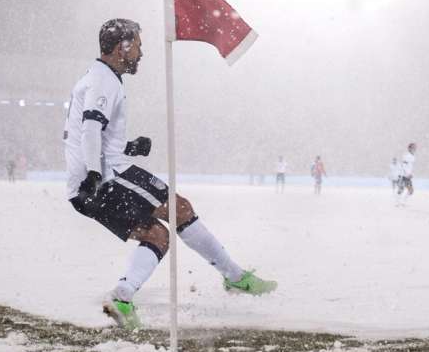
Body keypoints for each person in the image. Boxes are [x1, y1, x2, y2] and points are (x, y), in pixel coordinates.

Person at [65, 19, 277, 330]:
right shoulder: (104, 81)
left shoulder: (96, 78)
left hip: (84, 187)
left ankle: (122, 298)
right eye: (136, 44)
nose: (141, 51)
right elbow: (90, 129)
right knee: (181, 209)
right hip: (106, 177)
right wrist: (95, 174)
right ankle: (235, 278)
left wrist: (129, 145)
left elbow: (90, 132)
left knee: (158, 236)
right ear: (121, 47)